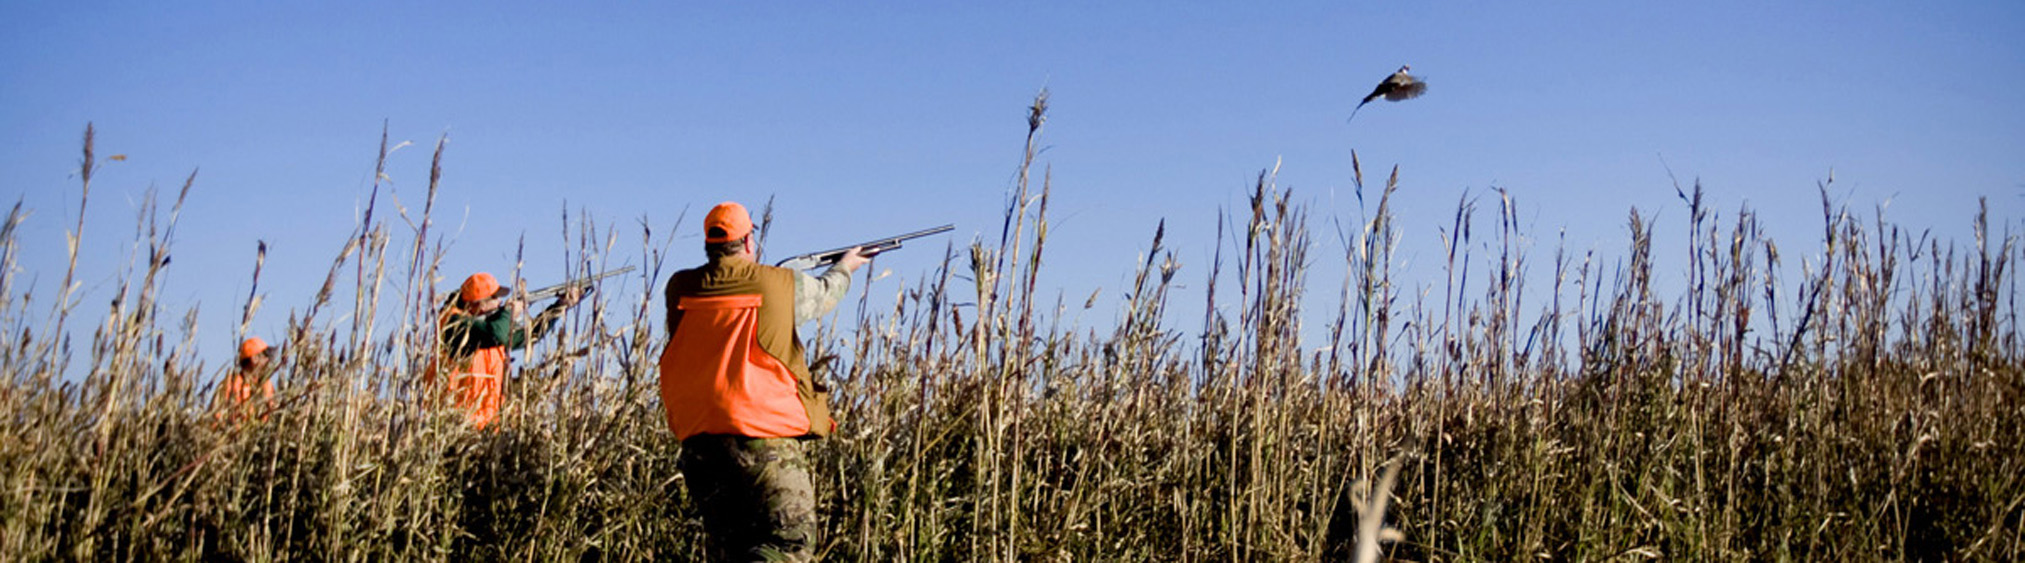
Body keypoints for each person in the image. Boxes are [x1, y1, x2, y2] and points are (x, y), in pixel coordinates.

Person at [659, 201, 869, 561]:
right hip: (763, 440)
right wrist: (845, 267)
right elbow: (824, 295)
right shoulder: (779, 285)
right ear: (749, 241)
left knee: (728, 551)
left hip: (701, 447)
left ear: (708, 244)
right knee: (789, 547)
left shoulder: (679, 288)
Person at [428, 271, 583, 429]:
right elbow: (496, 334)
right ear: (478, 304)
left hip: (487, 426)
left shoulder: (490, 326)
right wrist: (509, 314)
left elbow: (531, 335)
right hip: (455, 426)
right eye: (494, 298)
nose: (500, 302)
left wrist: (560, 306)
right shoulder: (454, 323)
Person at [214, 337, 278, 423]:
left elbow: (275, 413)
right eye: (265, 357)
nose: (268, 361)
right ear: (254, 359)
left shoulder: (267, 385)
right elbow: (215, 418)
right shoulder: (230, 384)